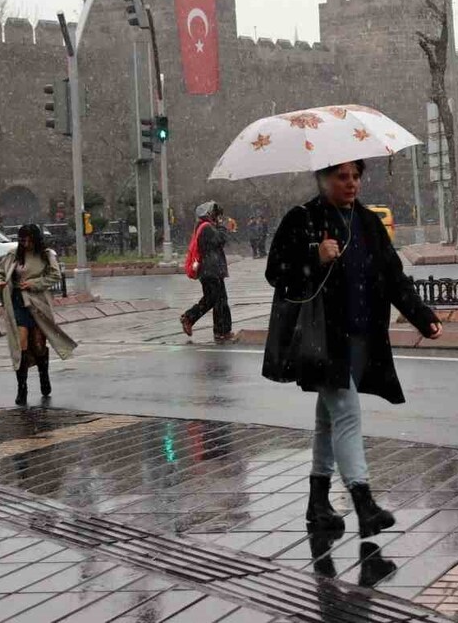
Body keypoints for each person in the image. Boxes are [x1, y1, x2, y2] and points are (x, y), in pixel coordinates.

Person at [265, 159, 443, 536]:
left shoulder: (367, 222)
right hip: (321, 337)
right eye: (342, 177)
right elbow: (275, 271)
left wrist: (422, 316)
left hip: (361, 336)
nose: (352, 184)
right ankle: (364, 504)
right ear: (322, 179)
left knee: (328, 418)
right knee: (346, 412)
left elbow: (393, 276)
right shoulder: (302, 219)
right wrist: (314, 257)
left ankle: (318, 503)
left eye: (356, 177)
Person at [0, 224, 77, 405]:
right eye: (23, 240)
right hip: (17, 303)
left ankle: (44, 376)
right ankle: (22, 388)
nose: (26, 244)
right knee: (20, 343)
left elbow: (55, 276)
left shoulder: (46, 255)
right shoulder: (13, 254)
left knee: (37, 344)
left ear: (36, 240)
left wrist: (34, 283)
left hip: (38, 304)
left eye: (29, 240)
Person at [180, 201, 233, 342]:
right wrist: (223, 227)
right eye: (216, 215)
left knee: (214, 300)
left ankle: (192, 319)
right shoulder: (206, 228)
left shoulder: (206, 227)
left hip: (211, 271)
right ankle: (221, 331)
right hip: (210, 271)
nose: (218, 217)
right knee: (218, 301)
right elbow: (220, 240)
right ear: (209, 214)